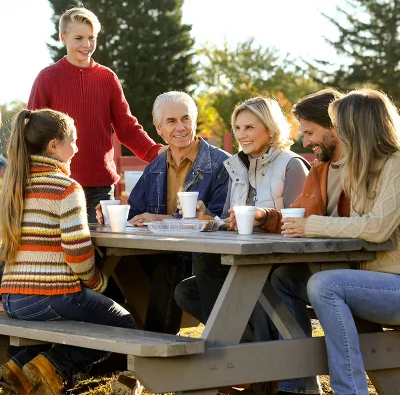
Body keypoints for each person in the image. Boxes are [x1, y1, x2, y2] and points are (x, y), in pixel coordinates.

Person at [175, 96, 310, 395]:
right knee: (187, 289)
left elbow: (300, 223)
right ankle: (248, 357)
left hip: (282, 263)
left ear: (271, 129)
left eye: (250, 127)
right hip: (245, 259)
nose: (242, 134)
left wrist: (261, 222)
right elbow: (231, 219)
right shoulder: (236, 166)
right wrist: (211, 219)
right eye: (237, 127)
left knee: (224, 271)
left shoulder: (292, 165)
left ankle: (242, 365)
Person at [0, 109, 135, 395]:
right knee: (124, 322)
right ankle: (54, 366)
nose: (76, 149)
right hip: (49, 295)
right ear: (53, 146)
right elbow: (77, 251)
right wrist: (96, 282)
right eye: (72, 142)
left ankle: (18, 369)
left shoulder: (13, 186)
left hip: (12, 298)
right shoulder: (65, 188)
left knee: (72, 321)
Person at [281, 89, 400, 395]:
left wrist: (311, 226)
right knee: (285, 278)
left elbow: (375, 229)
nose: (337, 132)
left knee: (325, 285)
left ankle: (350, 390)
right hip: (373, 280)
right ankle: (296, 382)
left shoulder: (396, 164)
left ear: (358, 127)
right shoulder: (360, 167)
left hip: (393, 283)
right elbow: (353, 226)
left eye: (339, 125)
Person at [97, 90, 230, 335]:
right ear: (159, 129)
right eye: (171, 121)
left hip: (204, 259)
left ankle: (157, 348)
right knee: (110, 265)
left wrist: (164, 219)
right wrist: (111, 213)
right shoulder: (155, 167)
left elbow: (223, 220)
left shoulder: (222, 164)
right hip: (159, 254)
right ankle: (110, 350)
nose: (180, 127)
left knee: (170, 261)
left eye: (185, 119)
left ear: (195, 121)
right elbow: (136, 212)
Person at [243, 89, 344, 395]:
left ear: (335, 127)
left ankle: (294, 384)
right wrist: (265, 217)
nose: (305, 141)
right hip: (331, 268)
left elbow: (368, 225)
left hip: (358, 272)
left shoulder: (362, 167)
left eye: (310, 132)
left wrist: (310, 225)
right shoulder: (321, 168)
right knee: (277, 278)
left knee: (280, 279)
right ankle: (294, 383)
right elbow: (297, 212)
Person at [27, 7, 163, 223]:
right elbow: (33, 133)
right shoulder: (47, 79)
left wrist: (157, 154)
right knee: (65, 252)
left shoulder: (107, 78)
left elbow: (126, 127)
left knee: (103, 253)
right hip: (57, 185)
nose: (87, 45)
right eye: (78, 38)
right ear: (63, 37)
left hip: (101, 189)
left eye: (91, 38)